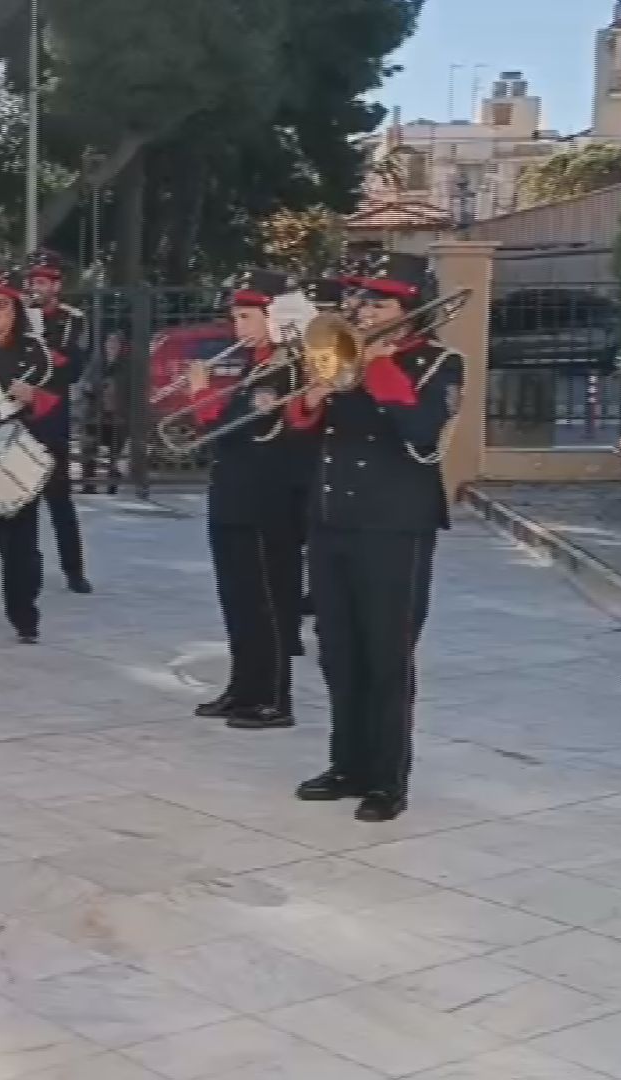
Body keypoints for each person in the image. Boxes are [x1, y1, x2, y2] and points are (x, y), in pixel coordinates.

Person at [284, 251, 462, 823]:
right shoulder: (340, 357)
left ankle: (387, 779)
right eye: (362, 301)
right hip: (332, 519)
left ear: (409, 311)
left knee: (387, 654)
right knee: (337, 650)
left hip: (393, 526)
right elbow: (303, 434)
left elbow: (422, 432)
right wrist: (312, 398)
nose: (363, 311)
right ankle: (347, 765)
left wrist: (381, 368)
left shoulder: (439, 363)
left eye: (378, 304)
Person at [187, 270, 309, 730]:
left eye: (247, 316)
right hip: (235, 496)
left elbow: (238, 428)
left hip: (265, 501)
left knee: (268, 601)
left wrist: (201, 394)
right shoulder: (255, 363)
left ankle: (274, 697)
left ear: (275, 316)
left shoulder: (284, 367)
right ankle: (244, 687)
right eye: (236, 317)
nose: (238, 326)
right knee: (238, 600)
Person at [0, 264, 66, 645]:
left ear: (16, 311)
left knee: (20, 551)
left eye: (1, 305)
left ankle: (25, 617)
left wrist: (34, 397)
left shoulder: (35, 353)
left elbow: (55, 404)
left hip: (14, 458)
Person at [25, 251, 93, 594]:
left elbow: (72, 368)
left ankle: (74, 570)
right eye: (32, 281)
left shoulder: (72, 320)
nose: (35, 287)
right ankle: (27, 566)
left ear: (56, 285)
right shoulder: (20, 316)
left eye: (42, 281)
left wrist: (39, 348)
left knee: (59, 498)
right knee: (22, 500)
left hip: (52, 417)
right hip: (20, 416)